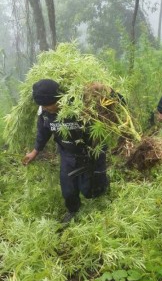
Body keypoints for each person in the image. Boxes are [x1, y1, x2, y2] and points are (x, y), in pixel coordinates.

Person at [22, 79, 109, 223]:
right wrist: (35, 151)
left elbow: (103, 124)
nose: (47, 109)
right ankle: (73, 210)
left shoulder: (80, 105)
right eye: (44, 106)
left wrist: (104, 89)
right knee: (68, 189)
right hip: (68, 153)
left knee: (90, 191)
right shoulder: (44, 112)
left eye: (49, 106)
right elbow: (43, 132)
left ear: (59, 98)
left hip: (91, 152)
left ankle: (103, 185)